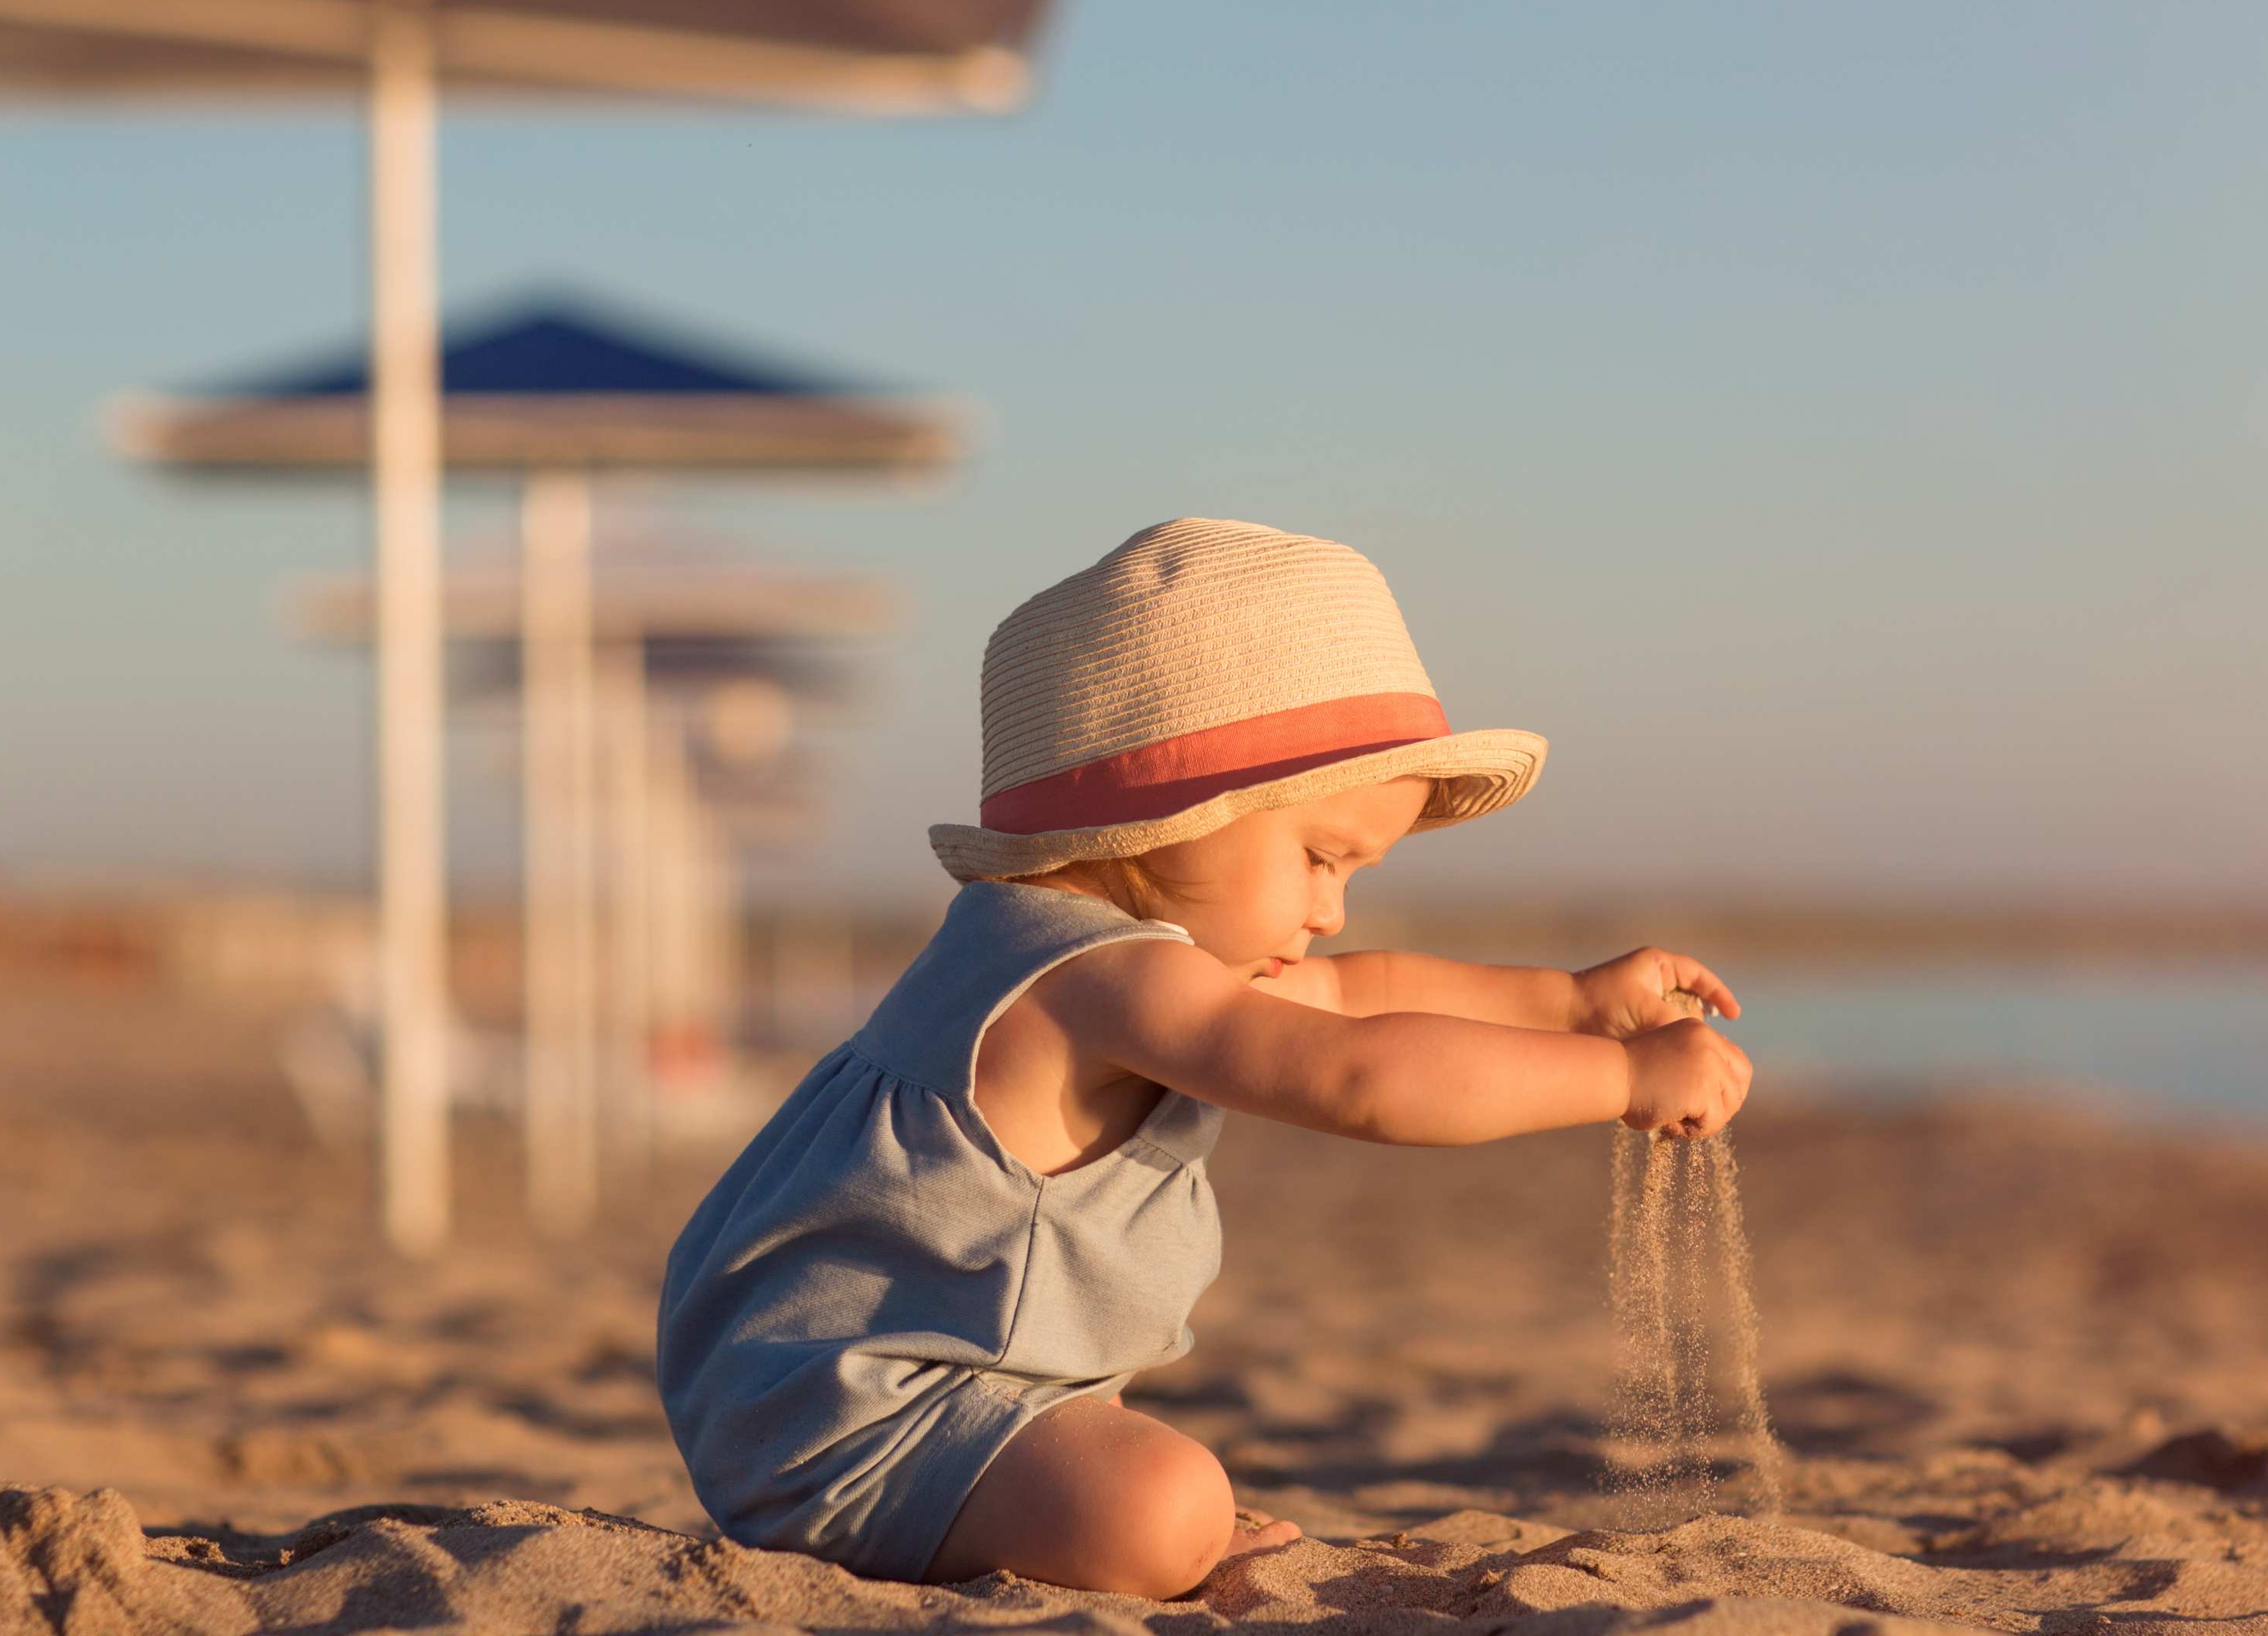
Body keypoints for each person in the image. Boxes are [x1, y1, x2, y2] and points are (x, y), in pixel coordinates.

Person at [655, 518, 1754, 1598]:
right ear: (1171, 817)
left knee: (1148, 1478)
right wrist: (1620, 1080)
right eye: (1322, 858)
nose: (1330, 911)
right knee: (1167, 1508)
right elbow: (1358, 1073)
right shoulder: (1099, 978)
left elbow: (1359, 991)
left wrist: (1566, 1003)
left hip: (863, 1386)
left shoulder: (1062, 944)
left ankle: (1049, 1474)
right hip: (864, 1419)